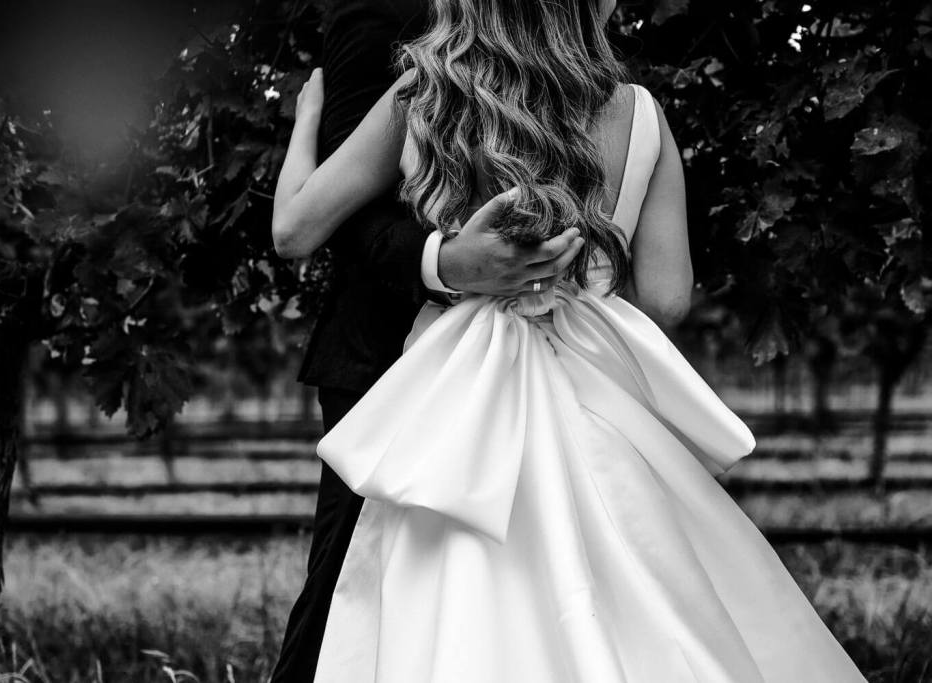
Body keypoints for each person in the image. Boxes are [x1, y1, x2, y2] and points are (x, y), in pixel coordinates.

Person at [272, 0, 870, 680]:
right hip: (588, 389)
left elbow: (294, 230)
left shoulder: (425, 89)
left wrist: (308, 126)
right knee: (633, 589)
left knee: (441, 607)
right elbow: (669, 298)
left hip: (452, 400)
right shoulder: (639, 111)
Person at [268, 2, 584, 681]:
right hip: (386, 361)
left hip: (525, 364)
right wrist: (443, 260)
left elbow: (296, 219)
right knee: (350, 602)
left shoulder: (554, 52)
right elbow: (338, 217)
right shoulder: (379, 19)